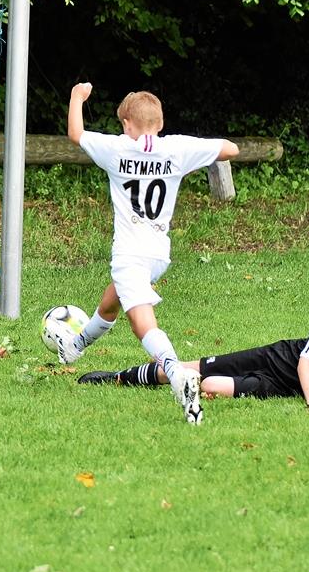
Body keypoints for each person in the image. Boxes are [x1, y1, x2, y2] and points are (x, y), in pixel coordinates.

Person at [53, 82, 239, 424]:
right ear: (162, 122)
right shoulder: (177, 149)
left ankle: (176, 373)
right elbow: (231, 149)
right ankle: (75, 346)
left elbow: (76, 133)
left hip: (130, 252)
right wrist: (188, 155)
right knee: (113, 298)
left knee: (140, 322)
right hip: (158, 254)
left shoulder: (117, 148)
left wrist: (78, 97)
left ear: (126, 123)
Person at [77, 291, 309, 413]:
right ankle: (119, 377)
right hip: (273, 358)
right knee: (192, 366)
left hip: (278, 388)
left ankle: (191, 390)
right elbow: (305, 363)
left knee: (206, 385)